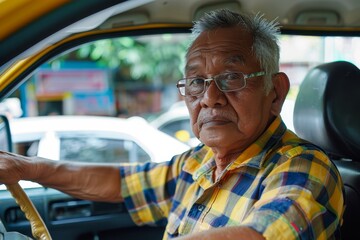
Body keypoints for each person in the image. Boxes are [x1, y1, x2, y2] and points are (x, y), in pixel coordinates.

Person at [0, 9, 344, 240]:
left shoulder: (304, 167)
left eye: (232, 77)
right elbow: (121, 183)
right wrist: (23, 166)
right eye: (196, 81)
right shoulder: (198, 162)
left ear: (275, 92)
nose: (209, 98)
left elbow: (262, 234)